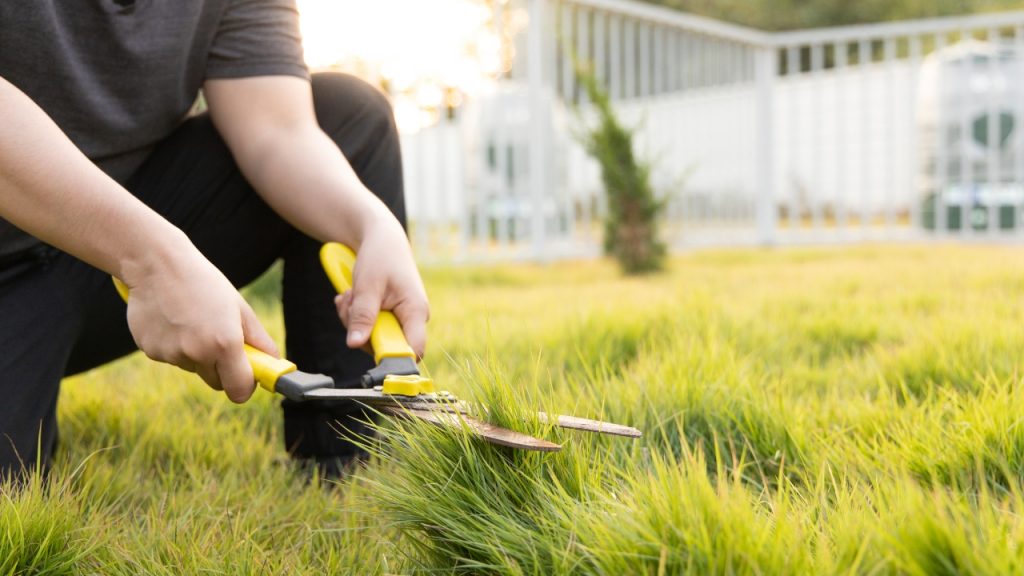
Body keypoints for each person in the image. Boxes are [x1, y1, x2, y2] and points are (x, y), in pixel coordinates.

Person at [0, 0, 429, 479]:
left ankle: (349, 466)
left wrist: (371, 223)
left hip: (94, 255)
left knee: (349, 119)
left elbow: (277, 130)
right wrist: (150, 258)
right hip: (52, 250)